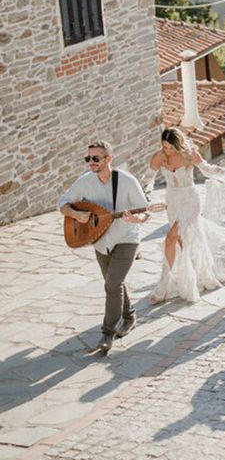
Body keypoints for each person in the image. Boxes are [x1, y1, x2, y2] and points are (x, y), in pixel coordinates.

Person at [58, 140, 150, 352]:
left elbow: (145, 211)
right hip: (100, 241)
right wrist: (76, 214)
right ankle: (130, 317)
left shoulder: (126, 181)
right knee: (114, 282)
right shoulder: (84, 182)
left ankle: (107, 333)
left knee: (112, 284)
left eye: (95, 158)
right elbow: (62, 203)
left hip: (127, 238)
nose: (90, 162)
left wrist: (136, 220)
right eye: (87, 158)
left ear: (108, 159)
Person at [148, 128, 225, 304]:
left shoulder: (189, 154)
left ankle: (163, 285)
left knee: (170, 239)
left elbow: (208, 170)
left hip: (190, 200)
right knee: (182, 242)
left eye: (171, 148)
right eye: (165, 147)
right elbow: (147, 179)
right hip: (172, 201)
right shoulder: (159, 157)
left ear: (178, 145)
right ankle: (190, 276)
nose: (168, 151)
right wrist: (144, 197)